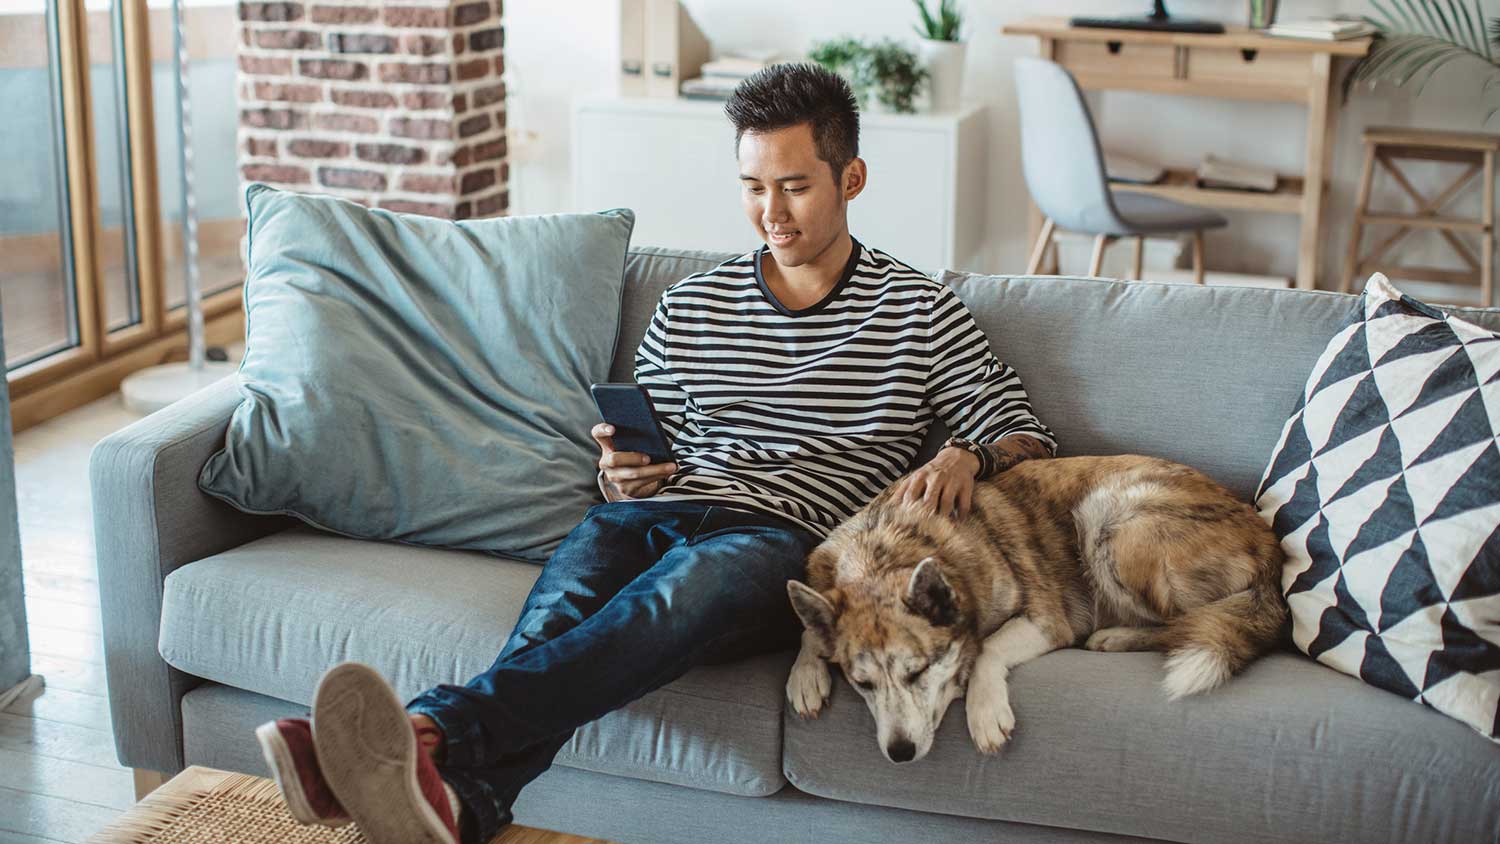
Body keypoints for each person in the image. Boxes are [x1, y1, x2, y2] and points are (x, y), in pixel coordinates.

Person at [254, 63, 1056, 844]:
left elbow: (1024, 430)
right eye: (752, 187)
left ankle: (426, 728)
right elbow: (645, 446)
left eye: (794, 185)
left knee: (668, 598)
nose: (770, 212)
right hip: (657, 512)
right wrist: (621, 473)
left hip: (783, 542)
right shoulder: (691, 303)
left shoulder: (916, 308)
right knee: (555, 622)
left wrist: (968, 456)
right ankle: (465, 807)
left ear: (851, 179)